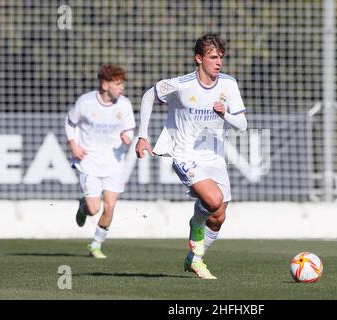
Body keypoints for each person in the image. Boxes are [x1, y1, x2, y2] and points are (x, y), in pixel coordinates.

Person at [135, 33, 247, 279]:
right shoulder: (182, 84)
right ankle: (196, 224)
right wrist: (142, 135)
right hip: (184, 154)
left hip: (215, 156)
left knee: (218, 216)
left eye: (221, 57)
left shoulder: (228, 84)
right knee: (213, 200)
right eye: (213, 57)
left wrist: (224, 114)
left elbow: (242, 125)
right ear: (199, 59)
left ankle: (194, 259)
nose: (218, 62)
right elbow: (148, 96)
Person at [65, 64, 136, 259]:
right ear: (105, 85)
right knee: (93, 208)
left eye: (122, 83)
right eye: (117, 83)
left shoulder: (124, 104)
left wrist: (127, 137)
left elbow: (129, 128)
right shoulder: (86, 102)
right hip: (89, 161)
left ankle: (96, 244)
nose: (121, 88)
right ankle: (83, 205)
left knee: (110, 207)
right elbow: (70, 123)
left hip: (114, 163)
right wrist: (74, 146)